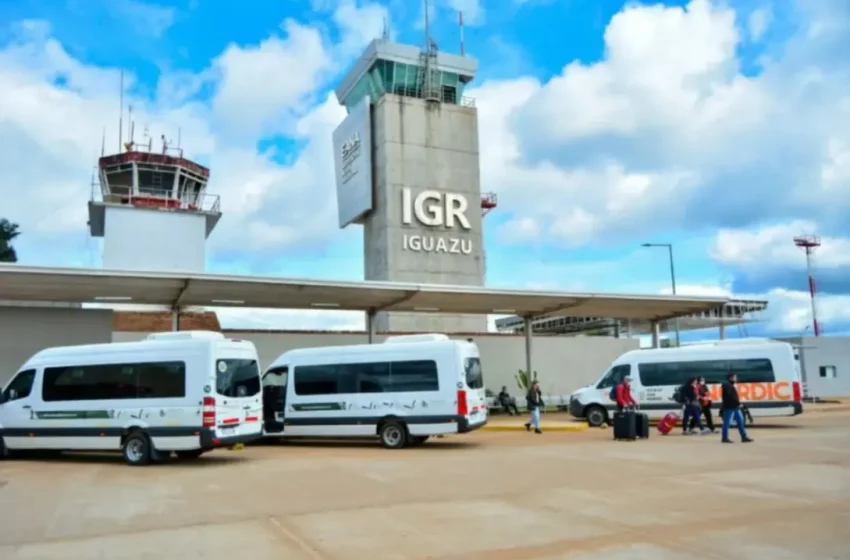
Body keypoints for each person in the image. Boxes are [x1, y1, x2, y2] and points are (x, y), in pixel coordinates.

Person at [721, 372, 754, 443]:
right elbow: (729, 396)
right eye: (735, 377)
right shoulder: (727, 385)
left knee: (740, 420)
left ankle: (744, 437)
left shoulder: (731, 385)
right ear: (730, 378)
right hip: (730, 407)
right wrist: (738, 403)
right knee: (727, 422)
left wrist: (738, 403)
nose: (736, 379)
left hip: (735, 407)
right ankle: (724, 438)